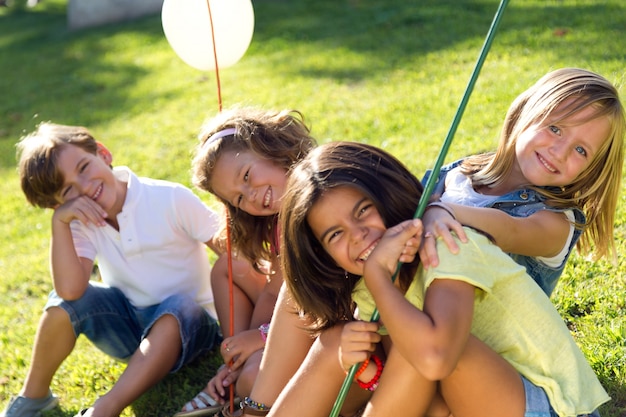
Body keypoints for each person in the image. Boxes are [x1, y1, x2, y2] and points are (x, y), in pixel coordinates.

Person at [263, 141, 608, 417]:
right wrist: (364, 368)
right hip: (470, 400)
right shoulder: (370, 284)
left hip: (547, 405)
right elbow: (404, 388)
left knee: (423, 347)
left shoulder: (444, 244)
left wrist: (378, 277)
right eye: (335, 234)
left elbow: (435, 359)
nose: (358, 236)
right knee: (346, 343)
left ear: (388, 194)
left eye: (364, 210)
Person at [2, 123, 222, 417]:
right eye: (68, 190)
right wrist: (61, 224)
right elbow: (70, 291)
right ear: (57, 204)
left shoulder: (169, 198)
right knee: (63, 303)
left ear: (103, 154)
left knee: (177, 307)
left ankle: (105, 408)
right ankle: (35, 395)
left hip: (194, 328)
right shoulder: (80, 223)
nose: (84, 187)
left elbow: (233, 253)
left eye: (84, 167)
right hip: (133, 330)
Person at [419, 67, 625, 296]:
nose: (559, 152)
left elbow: (510, 230)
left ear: (591, 169)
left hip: (477, 328)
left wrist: (442, 211)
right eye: (555, 128)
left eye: (580, 150)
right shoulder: (454, 175)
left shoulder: (555, 223)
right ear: (526, 112)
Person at [176, 107, 316, 416]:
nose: (251, 196)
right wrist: (244, 348)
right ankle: (234, 372)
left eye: (247, 176)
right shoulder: (280, 220)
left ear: (272, 148)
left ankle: (244, 387)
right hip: (291, 318)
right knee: (229, 266)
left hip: (328, 325)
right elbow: (273, 293)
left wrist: (261, 338)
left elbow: (317, 303)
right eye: (239, 198)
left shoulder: (319, 201)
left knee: (254, 377)